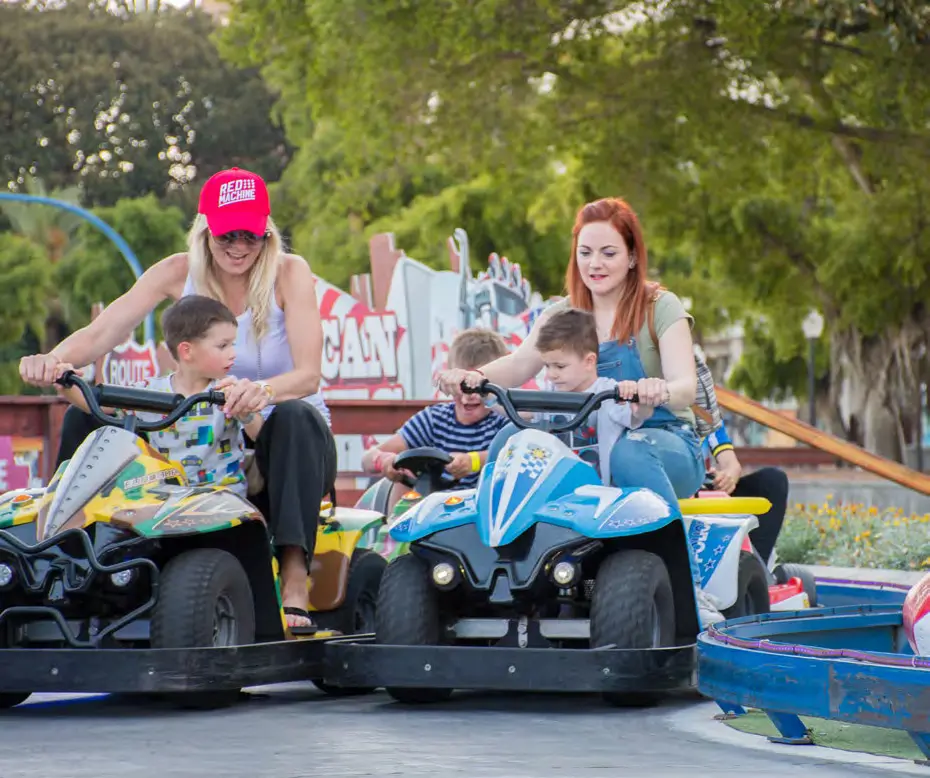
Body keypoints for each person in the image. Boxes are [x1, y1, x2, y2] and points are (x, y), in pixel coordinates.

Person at [19, 167, 336, 633]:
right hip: (193, 427)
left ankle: (293, 577)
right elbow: (102, 332)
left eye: (252, 233)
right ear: (205, 228)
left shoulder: (290, 273)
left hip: (271, 440)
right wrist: (51, 360)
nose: (239, 245)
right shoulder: (176, 271)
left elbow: (309, 374)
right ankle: (65, 560)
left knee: (294, 416)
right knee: (81, 420)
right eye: (227, 233)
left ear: (267, 231)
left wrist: (260, 392)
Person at [442, 197, 704, 509]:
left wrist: (656, 390)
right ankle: (509, 551)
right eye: (585, 253)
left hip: (660, 436)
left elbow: (685, 388)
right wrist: (474, 377)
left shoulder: (660, 307)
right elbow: (519, 364)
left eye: (608, 253)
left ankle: (661, 553)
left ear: (632, 256)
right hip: (582, 436)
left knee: (628, 453)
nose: (595, 264)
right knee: (510, 440)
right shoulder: (561, 314)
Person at [56, 295, 264, 497]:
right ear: (187, 351)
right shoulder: (150, 392)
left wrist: (246, 413)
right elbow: (94, 406)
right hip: (167, 502)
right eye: (223, 346)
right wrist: (65, 383)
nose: (233, 353)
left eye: (233, 344)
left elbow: (260, 436)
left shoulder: (228, 390)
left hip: (222, 500)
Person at [362, 329, 510, 500]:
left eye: (478, 387)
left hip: (480, 511)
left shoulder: (502, 422)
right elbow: (367, 459)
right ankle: (395, 525)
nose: (469, 395)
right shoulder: (433, 420)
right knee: (401, 480)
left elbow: (509, 456)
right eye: (463, 385)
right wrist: (385, 461)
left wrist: (473, 462)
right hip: (430, 510)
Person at [533, 307, 652, 483]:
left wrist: (639, 399)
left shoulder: (609, 392)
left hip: (598, 494)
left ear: (589, 362)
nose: (551, 374)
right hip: (554, 490)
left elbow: (641, 414)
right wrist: (487, 394)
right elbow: (517, 410)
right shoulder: (549, 395)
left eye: (559, 366)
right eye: (547, 366)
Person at [703, 420, 789, 568]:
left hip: (702, 495)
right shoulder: (651, 410)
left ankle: (755, 571)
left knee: (773, 481)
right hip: (665, 499)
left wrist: (726, 478)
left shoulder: (703, 413)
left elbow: (732, 465)